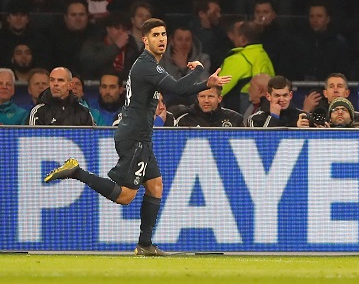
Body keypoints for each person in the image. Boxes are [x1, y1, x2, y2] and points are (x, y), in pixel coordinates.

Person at [43, 18, 231, 256]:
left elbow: (177, 87)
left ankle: (145, 244)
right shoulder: (147, 66)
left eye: (164, 34)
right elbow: (180, 90)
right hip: (135, 136)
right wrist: (202, 73)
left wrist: (205, 82)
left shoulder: (151, 65)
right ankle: (76, 171)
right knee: (125, 196)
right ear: (145, 40)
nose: (161, 39)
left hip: (140, 135)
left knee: (155, 186)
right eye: (155, 35)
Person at [220, 20, 275, 112]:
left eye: (235, 35)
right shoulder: (264, 56)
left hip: (241, 112)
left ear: (242, 38)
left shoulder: (238, 59)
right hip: (265, 107)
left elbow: (219, 89)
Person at [28, 66, 95, 125]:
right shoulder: (38, 112)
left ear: (70, 85)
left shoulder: (84, 112)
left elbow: (92, 137)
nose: (55, 84)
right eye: (52, 80)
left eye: (60, 80)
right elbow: (33, 138)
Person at [171, 86, 243, 127]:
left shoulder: (235, 119)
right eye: (202, 96)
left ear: (219, 98)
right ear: (197, 98)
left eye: (210, 96)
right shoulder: (184, 119)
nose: (206, 100)